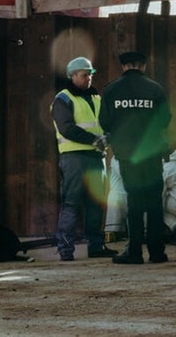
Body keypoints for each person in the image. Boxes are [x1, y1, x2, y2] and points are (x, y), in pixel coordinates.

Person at [100, 50, 173, 264]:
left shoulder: (111, 90)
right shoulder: (155, 89)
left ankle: (134, 252)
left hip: (127, 155)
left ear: (124, 66)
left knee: (134, 201)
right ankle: (157, 253)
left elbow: (104, 122)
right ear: (143, 66)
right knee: (154, 202)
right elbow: (165, 120)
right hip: (151, 153)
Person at [50, 56, 116, 261]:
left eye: (90, 75)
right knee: (72, 202)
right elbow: (66, 128)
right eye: (84, 75)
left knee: (96, 203)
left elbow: (107, 122)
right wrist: (94, 139)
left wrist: (107, 137)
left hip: (95, 156)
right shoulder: (63, 98)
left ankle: (96, 246)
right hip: (74, 157)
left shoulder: (96, 98)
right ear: (72, 76)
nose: (88, 79)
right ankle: (66, 249)